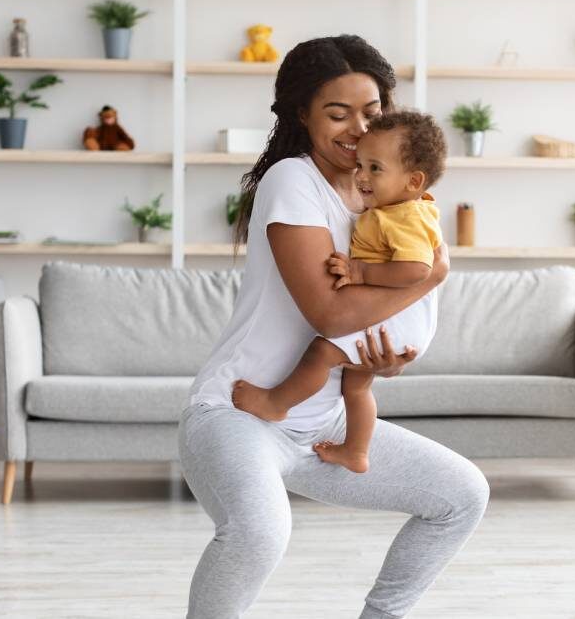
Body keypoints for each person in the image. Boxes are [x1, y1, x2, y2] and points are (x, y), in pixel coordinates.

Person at [180, 34, 489, 619]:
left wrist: (385, 360)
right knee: (260, 533)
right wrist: (431, 276)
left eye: (371, 112)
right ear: (303, 116)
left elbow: (371, 315)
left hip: (325, 425)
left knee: (461, 495)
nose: (355, 127)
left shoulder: (385, 195)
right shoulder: (292, 181)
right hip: (238, 414)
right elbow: (330, 313)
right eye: (337, 112)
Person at [231, 109, 448, 475]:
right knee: (357, 387)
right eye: (361, 165)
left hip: (397, 317)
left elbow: (418, 270)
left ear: (414, 181)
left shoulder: (405, 217)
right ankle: (356, 451)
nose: (361, 176)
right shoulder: (401, 209)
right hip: (401, 320)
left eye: (374, 169)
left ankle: (275, 402)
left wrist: (360, 271)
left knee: (321, 352)